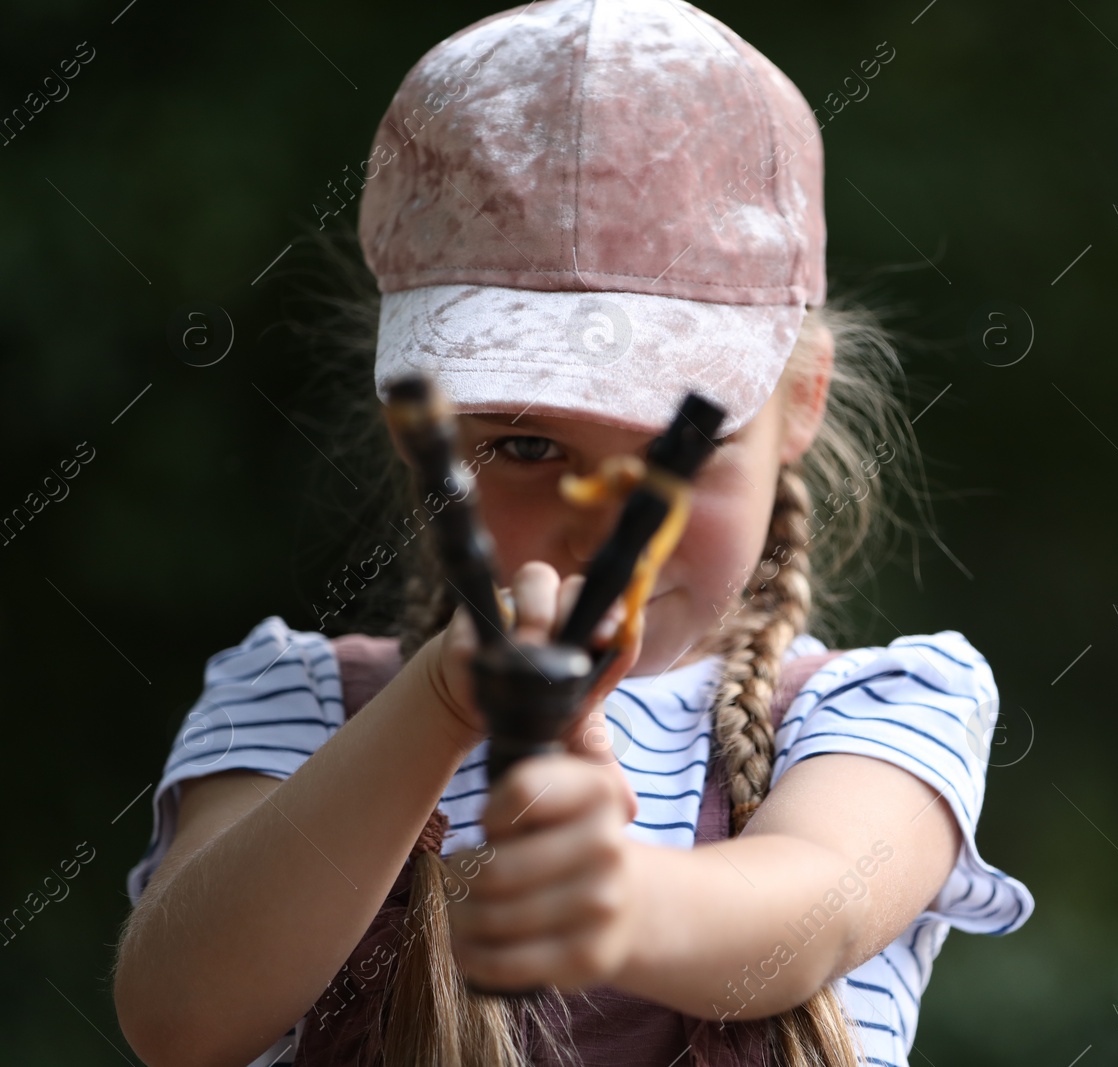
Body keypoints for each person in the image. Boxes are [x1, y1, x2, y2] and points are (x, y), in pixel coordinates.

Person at [112, 2, 1033, 1065]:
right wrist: (443, 703)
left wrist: (616, 899)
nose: (598, 521)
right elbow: (181, 1015)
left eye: (672, 456)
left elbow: (809, 909)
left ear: (804, 401)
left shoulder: (874, 717)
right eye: (525, 444)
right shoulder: (299, 705)